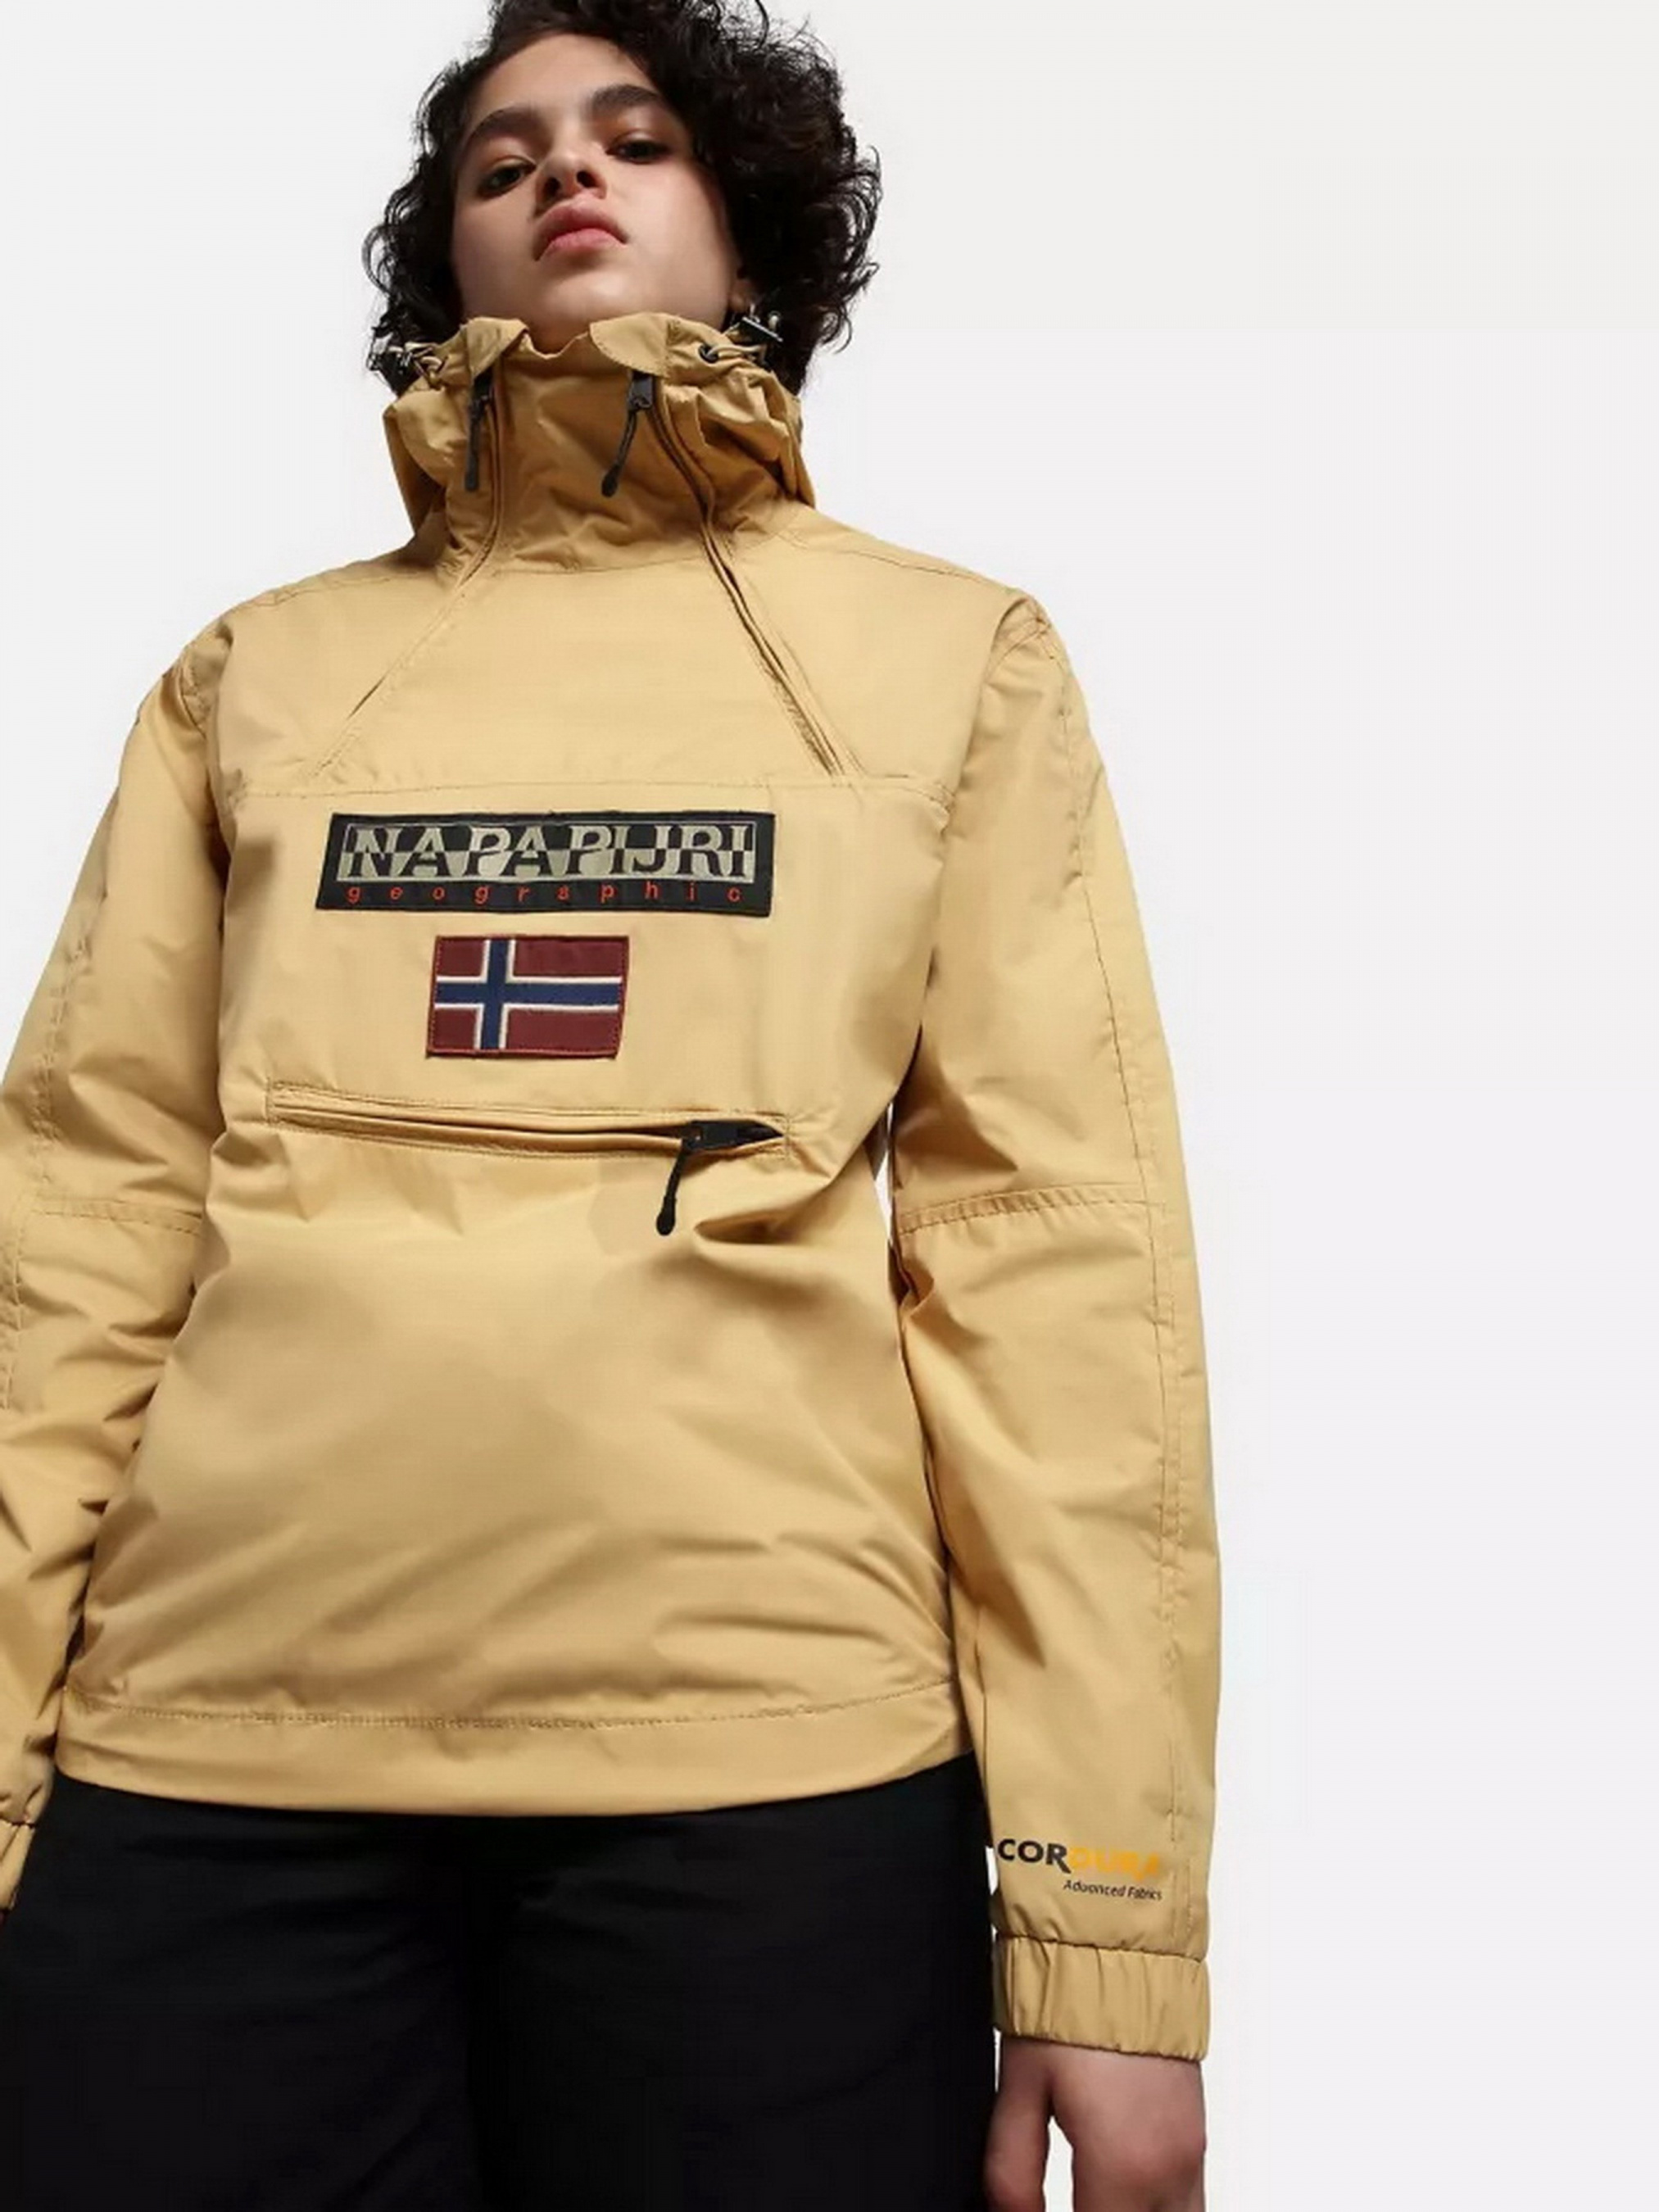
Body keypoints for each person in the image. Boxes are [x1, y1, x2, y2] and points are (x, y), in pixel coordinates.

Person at [0, 2, 1220, 2207]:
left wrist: (1105, 1947)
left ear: (749, 233)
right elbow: (73, 1246)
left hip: (765, 1785)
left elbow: (1049, 1279)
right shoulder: (254, 679)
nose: (565, 173)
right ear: (447, 256)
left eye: (636, 139)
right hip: (211, 1768)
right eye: (504, 160)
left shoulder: (949, 662)